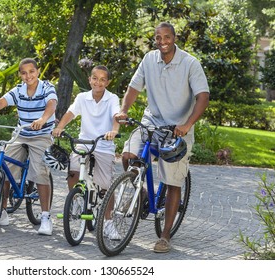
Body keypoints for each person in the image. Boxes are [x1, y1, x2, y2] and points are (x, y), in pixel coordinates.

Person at [115, 22, 210, 253]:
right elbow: (134, 87)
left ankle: (165, 235)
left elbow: (203, 96)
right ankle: (143, 193)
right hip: (152, 121)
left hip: (178, 128)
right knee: (128, 155)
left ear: (174, 38)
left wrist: (187, 124)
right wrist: (124, 109)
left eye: (166, 36)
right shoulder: (149, 59)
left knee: (172, 180)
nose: (162, 41)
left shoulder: (189, 63)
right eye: (158, 37)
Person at [0, 58, 57, 235]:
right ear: (20, 75)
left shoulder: (47, 87)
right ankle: (1, 212)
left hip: (41, 135)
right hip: (21, 134)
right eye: (24, 73)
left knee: (40, 172)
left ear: (38, 71)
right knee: (4, 169)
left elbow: (52, 104)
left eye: (32, 72)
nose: (28, 76)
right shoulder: (18, 90)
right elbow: (1, 102)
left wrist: (43, 119)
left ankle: (45, 217)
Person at [52, 65, 120, 239]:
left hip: (103, 145)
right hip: (84, 143)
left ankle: (108, 223)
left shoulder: (112, 98)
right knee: (73, 170)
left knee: (106, 186)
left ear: (108, 82)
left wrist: (113, 130)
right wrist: (60, 127)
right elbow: (71, 113)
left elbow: (116, 116)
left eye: (103, 79)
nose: (98, 82)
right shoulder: (82, 97)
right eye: (95, 78)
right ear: (90, 79)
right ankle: (75, 201)